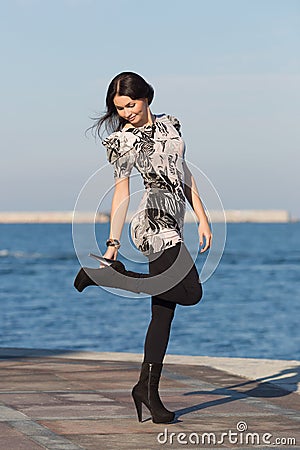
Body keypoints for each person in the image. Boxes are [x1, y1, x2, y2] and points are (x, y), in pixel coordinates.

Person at [74, 71, 212, 424]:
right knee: (192, 292)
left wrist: (202, 215)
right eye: (120, 108)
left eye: (130, 104)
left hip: (176, 221)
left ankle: (146, 390)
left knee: (163, 312)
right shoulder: (122, 141)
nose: (126, 113)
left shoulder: (171, 124)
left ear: (146, 97)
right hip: (152, 224)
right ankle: (109, 276)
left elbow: (184, 172)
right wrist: (113, 245)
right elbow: (121, 191)